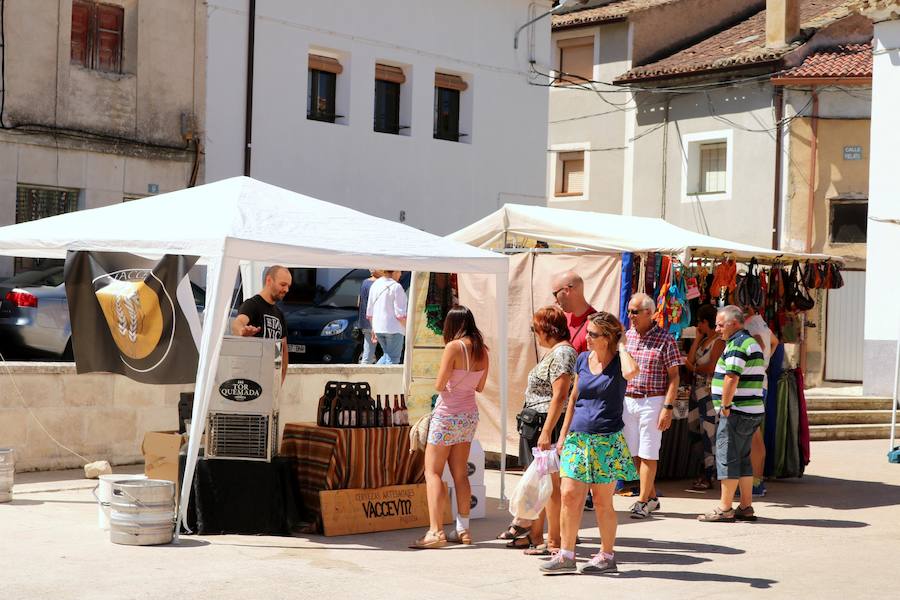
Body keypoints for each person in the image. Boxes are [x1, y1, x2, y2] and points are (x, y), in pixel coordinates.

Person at [540, 312, 640, 575]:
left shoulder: (620, 362)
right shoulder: (583, 359)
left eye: (593, 334)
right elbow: (573, 399)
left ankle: (607, 555)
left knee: (602, 501)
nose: (586, 338)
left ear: (607, 338)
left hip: (607, 440)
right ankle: (566, 554)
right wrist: (562, 435)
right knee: (569, 495)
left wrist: (621, 345)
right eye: (587, 332)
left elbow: (632, 372)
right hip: (577, 437)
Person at [497, 305, 576, 554]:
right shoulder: (554, 352)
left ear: (547, 329)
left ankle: (551, 541)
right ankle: (534, 535)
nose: (535, 333)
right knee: (541, 483)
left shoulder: (562, 352)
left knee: (550, 485)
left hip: (545, 423)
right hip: (537, 421)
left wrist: (546, 431)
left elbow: (560, 395)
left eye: (535, 328)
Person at [411, 306, 489, 548]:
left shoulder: (453, 347)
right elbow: (480, 387)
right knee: (460, 473)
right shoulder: (482, 350)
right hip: (468, 415)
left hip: (447, 415)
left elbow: (439, 384)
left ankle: (435, 532)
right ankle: (463, 530)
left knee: (432, 472)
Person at [698, 305, 766, 523]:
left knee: (727, 457)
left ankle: (725, 508)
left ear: (734, 323)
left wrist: (725, 405)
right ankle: (745, 506)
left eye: (720, 324)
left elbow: (731, 377)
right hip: (751, 410)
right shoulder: (749, 342)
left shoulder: (737, 344)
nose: (717, 329)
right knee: (743, 458)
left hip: (737, 410)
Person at [622, 292, 682, 519]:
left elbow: (675, 377)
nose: (630, 316)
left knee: (648, 452)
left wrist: (667, 408)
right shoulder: (627, 337)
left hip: (653, 399)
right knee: (635, 452)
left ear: (649, 313)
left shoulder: (665, 339)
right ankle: (652, 497)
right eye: (629, 311)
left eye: (634, 312)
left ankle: (642, 500)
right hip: (629, 399)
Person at [550, 270, 598, 511]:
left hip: (583, 401)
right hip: (562, 397)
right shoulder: (564, 320)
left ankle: (584, 492)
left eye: (556, 293)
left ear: (568, 289)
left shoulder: (596, 323)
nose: (555, 299)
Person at [685, 304, 726, 490]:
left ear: (704, 321)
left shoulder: (718, 342)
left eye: (699, 323)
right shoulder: (704, 341)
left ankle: (709, 474)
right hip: (697, 392)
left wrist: (694, 369)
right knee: (696, 431)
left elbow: (711, 367)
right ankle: (703, 470)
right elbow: (690, 359)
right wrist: (697, 339)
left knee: (709, 433)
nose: (697, 327)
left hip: (708, 394)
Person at [744, 306, 780, 497]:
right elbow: (775, 342)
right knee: (754, 433)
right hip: (759, 381)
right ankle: (756, 480)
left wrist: (755, 365)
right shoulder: (762, 324)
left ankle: (756, 481)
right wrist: (765, 362)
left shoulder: (752, 326)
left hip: (755, 384)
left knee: (753, 434)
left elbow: (763, 346)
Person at [232, 265, 290, 380]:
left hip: (270, 382)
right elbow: (238, 322)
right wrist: (242, 330)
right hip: (250, 382)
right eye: (283, 284)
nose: (286, 290)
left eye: (288, 286)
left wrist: (280, 381)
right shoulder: (252, 304)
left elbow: (283, 349)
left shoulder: (279, 314)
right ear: (269, 280)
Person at [366, 270, 408, 365]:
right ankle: (386, 380)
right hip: (394, 328)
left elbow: (369, 311)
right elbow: (400, 314)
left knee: (387, 356)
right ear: (394, 272)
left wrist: (373, 328)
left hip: (378, 327)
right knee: (393, 359)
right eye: (399, 271)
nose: (401, 274)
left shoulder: (375, 285)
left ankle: (375, 379)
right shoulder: (396, 287)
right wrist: (408, 329)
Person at [357, 269, 382, 364]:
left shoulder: (364, 282)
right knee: (389, 352)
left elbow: (359, 302)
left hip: (365, 321)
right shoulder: (377, 284)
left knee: (368, 353)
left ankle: (363, 374)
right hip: (376, 323)